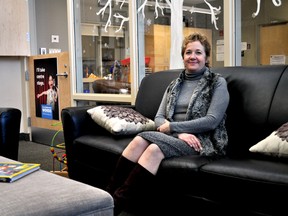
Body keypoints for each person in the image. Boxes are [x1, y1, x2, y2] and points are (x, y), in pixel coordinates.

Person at [106, 32, 230, 215]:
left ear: (206, 57)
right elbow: (159, 117)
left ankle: (116, 205)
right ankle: (106, 197)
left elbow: (212, 121)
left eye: (198, 52)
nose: (193, 57)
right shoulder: (174, 85)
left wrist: (172, 127)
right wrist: (178, 133)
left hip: (202, 140)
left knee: (154, 149)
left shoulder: (217, 83)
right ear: (183, 56)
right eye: (188, 52)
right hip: (175, 137)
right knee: (139, 141)